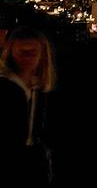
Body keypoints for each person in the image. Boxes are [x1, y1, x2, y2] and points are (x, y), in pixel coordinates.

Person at [0, 26, 56, 186]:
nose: (27, 58)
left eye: (32, 52)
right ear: (11, 52)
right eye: (22, 52)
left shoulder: (38, 88)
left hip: (31, 163)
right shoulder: (7, 87)